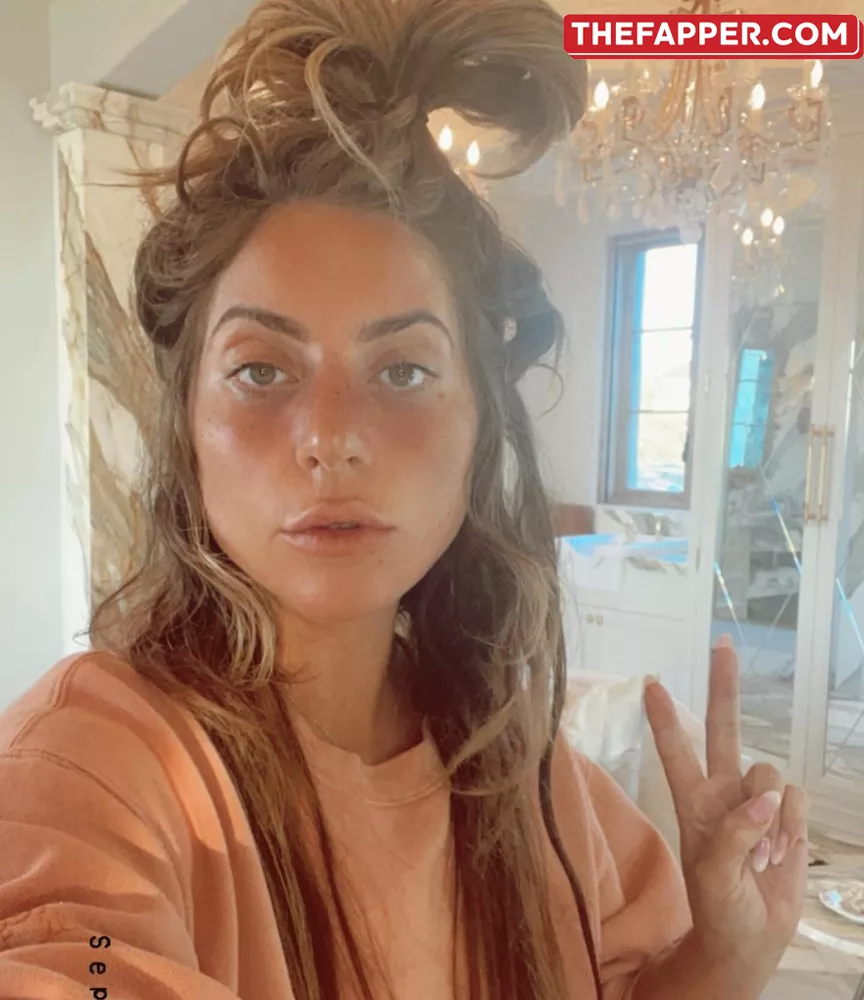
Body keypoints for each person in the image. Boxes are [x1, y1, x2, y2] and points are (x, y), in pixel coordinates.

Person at [0, 1, 808, 998]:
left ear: (479, 428)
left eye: (404, 370)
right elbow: (72, 962)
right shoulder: (96, 767)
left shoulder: (527, 772)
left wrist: (723, 955)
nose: (331, 435)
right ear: (187, 429)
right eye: (260, 369)